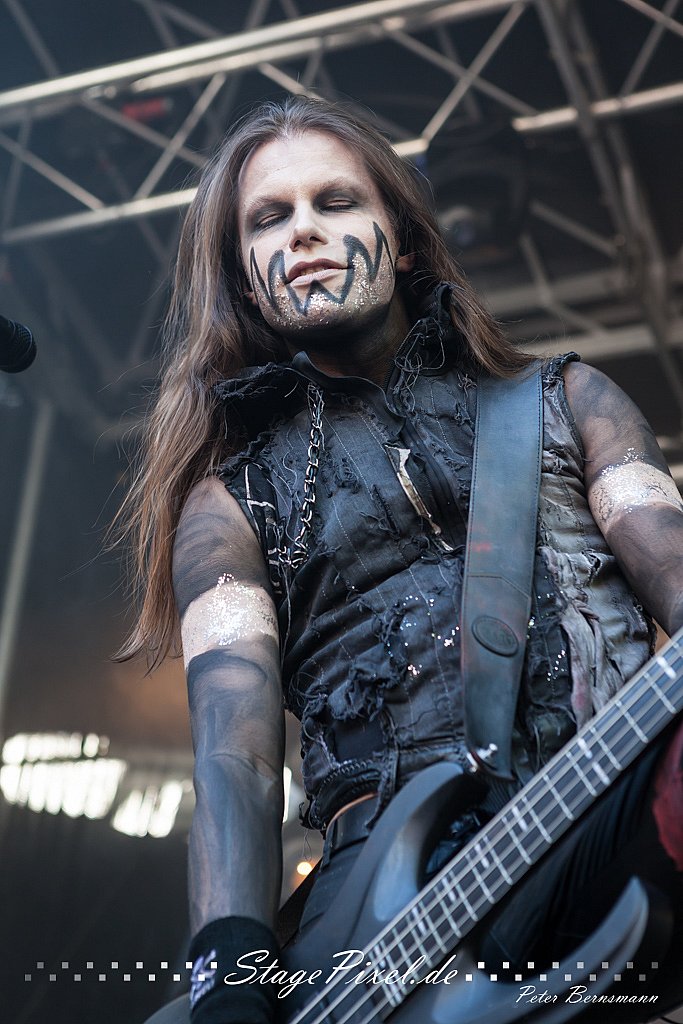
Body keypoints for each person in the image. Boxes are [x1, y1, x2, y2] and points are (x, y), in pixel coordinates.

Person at [119, 96, 683, 1024]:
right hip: (379, 913)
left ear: (407, 243)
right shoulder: (228, 504)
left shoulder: (570, 400)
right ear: (245, 281)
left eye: (335, 202)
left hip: (596, 812)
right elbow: (237, 757)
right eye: (269, 218)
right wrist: (229, 975)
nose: (303, 230)